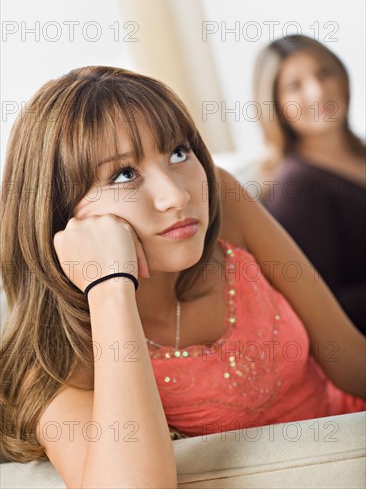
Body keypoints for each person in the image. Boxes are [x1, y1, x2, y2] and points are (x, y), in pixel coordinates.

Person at [0, 66, 365, 488]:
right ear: (59, 212)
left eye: (178, 152)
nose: (177, 195)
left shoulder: (226, 200)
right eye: (123, 174)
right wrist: (110, 287)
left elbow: (351, 364)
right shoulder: (54, 361)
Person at [253, 35, 366, 335]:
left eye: (324, 73)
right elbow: (324, 308)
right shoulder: (296, 189)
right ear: (275, 104)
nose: (318, 91)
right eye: (295, 86)